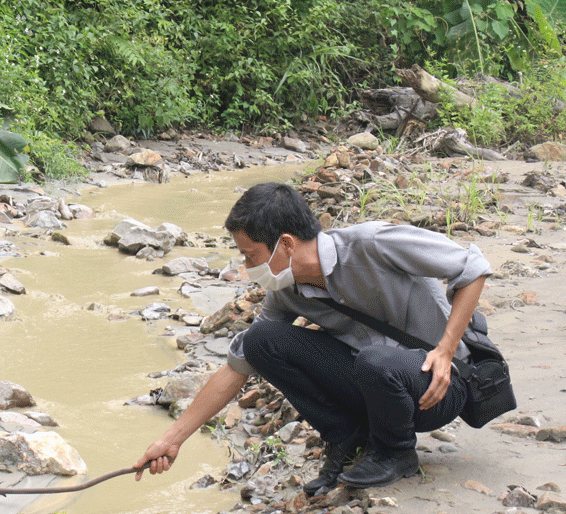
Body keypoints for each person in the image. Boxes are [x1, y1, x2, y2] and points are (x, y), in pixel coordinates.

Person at [134, 181, 493, 492]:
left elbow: (473, 267)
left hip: (438, 388)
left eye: (251, 255)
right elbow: (238, 366)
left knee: (374, 359)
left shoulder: (371, 244)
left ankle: (396, 453)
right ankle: (347, 439)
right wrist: (171, 440)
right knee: (262, 340)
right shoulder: (286, 291)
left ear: (286, 244)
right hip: (377, 384)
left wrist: (445, 351)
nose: (247, 268)